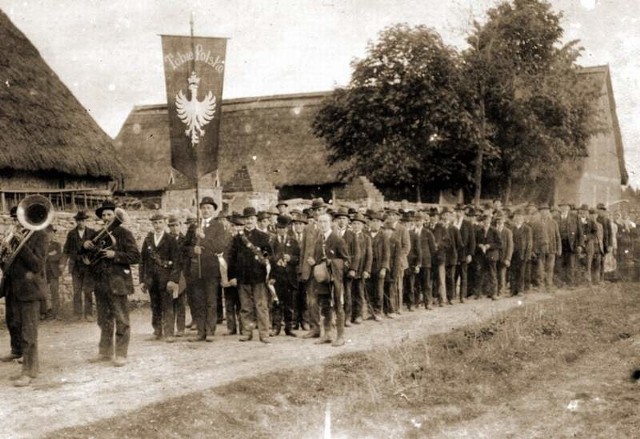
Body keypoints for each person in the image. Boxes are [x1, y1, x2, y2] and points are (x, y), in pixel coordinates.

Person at [86, 200, 140, 367]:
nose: (106, 218)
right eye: (104, 215)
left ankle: (121, 354)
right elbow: (88, 256)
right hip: (101, 283)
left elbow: (135, 256)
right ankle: (105, 352)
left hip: (118, 282)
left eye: (109, 214)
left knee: (121, 319)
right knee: (103, 320)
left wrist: (114, 254)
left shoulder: (124, 233)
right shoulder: (98, 234)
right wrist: (85, 246)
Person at [1, 206, 49, 387]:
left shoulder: (41, 235)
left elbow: (37, 265)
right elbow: (6, 265)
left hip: (30, 291)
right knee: (19, 330)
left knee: (29, 334)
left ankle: (28, 372)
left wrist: (21, 245)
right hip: (14, 289)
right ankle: (31, 369)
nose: (19, 220)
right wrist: (4, 250)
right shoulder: (18, 235)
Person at [184, 197, 230, 342]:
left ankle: (210, 331)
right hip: (196, 270)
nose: (205, 210)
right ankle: (200, 332)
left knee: (211, 301)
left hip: (211, 269)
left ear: (213, 210)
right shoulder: (193, 227)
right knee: (198, 301)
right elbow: (184, 247)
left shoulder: (218, 226)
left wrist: (204, 238)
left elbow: (220, 247)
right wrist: (193, 250)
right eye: (203, 208)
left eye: (208, 208)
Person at [227, 207, 273, 343]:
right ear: (243, 220)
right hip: (243, 277)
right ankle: (247, 332)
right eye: (246, 219)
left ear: (256, 220)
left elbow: (268, 255)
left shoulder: (263, 237)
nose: (249, 221)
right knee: (245, 307)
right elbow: (232, 258)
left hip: (259, 277)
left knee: (261, 306)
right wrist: (232, 276)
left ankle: (264, 333)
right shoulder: (237, 239)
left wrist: (265, 261)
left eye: (252, 218)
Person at [305, 212, 349, 346]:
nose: (322, 224)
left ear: (331, 223)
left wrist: (332, 262)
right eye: (320, 222)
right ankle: (328, 334)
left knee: (337, 305)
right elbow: (319, 260)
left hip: (335, 280)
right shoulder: (319, 240)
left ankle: (340, 336)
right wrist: (314, 262)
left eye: (325, 222)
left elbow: (346, 261)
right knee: (324, 305)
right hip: (322, 279)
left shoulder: (337, 239)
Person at [140, 212, 181, 342]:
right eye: (155, 223)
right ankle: (157, 331)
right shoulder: (148, 240)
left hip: (166, 279)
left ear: (164, 223)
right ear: (152, 224)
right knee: (155, 305)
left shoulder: (170, 239)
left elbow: (176, 261)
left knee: (167, 306)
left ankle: (169, 333)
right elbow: (143, 261)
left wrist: (173, 280)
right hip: (152, 279)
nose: (157, 225)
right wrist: (142, 280)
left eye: (160, 222)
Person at [62, 210, 97, 321]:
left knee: (88, 290)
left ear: (85, 221)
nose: (81, 222)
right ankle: (77, 313)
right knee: (77, 291)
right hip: (76, 266)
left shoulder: (92, 233)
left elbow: (96, 249)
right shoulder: (71, 234)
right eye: (79, 221)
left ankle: (89, 314)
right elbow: (66, 250)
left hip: (88, 266)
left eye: (83, 220)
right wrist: (63, 264)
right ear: (76, 221)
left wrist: (91, 261)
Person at [270, 214, 300, 336]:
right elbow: (267, 258)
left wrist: (291, 258)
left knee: (289, 304)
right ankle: (276, 327)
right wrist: (271, 274)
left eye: (284, 228)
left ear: (288, 228)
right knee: (276, 302)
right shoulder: (272, 242)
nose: (281, 230)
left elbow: (299, 258)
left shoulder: (293, 241)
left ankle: (289, 327)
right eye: (279, 228)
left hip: (289, 277)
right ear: (276, 228)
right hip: (276, 277)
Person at [167, 214, 187, 337]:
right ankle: (169, 328)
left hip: (181, 274)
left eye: (176, 225)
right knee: (169, 302)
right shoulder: (166, 240)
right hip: (168, 273)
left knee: (180, 301)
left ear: (180, 226)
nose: (174, 228)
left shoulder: (185, 240)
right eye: (172, 226)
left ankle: (181, 328)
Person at [43, 225, 62, 320]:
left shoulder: (57, 245)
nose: (49, 234)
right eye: (47, 232)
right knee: (43, 293)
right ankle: (46, 313)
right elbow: (41, 258)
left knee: (55, 293)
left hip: (54, 272)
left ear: (53, 233)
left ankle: (56, 313)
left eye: (51, 232)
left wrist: (48, 256)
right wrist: (50, 255)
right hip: (43, 272)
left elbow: (59, 256)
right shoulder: (40, 244)